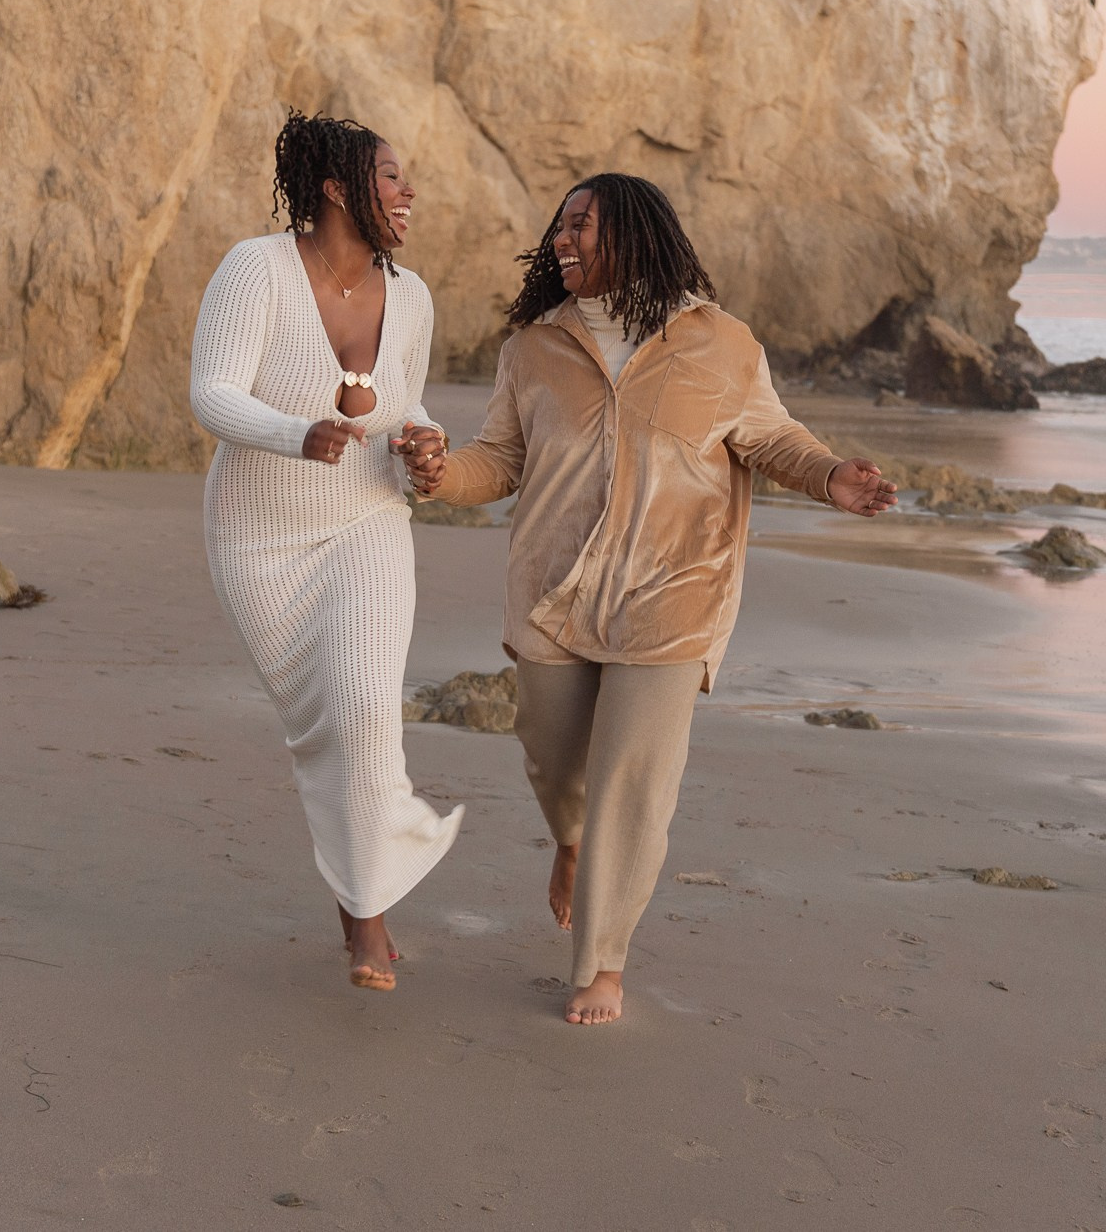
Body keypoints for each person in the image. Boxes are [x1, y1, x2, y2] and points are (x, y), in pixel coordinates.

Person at [405, 174, 897, 1023]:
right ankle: (571, 839)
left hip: (676, 590)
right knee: (554, 760)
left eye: (583, 225)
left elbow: (770, 435)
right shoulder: (534, 345)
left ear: (633, 235)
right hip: (555, 588)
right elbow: (499, 460)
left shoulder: (722, 342)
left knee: (633, 778)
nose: (564, 238)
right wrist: (442, 472)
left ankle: (602, 962)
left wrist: (829, 476)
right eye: (559, 226)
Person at [190, 113, 456, 991]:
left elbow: (406, 407)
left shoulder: (410, 296)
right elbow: (212, 391)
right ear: (339, 187)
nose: (407, 191)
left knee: (367, 706)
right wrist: (293, 432)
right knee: (323, 725)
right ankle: (363, 896)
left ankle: (367, 923)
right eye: (390, 176)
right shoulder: (255, 269)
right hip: (259, 538)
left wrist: (424, 447)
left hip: (368, 520)